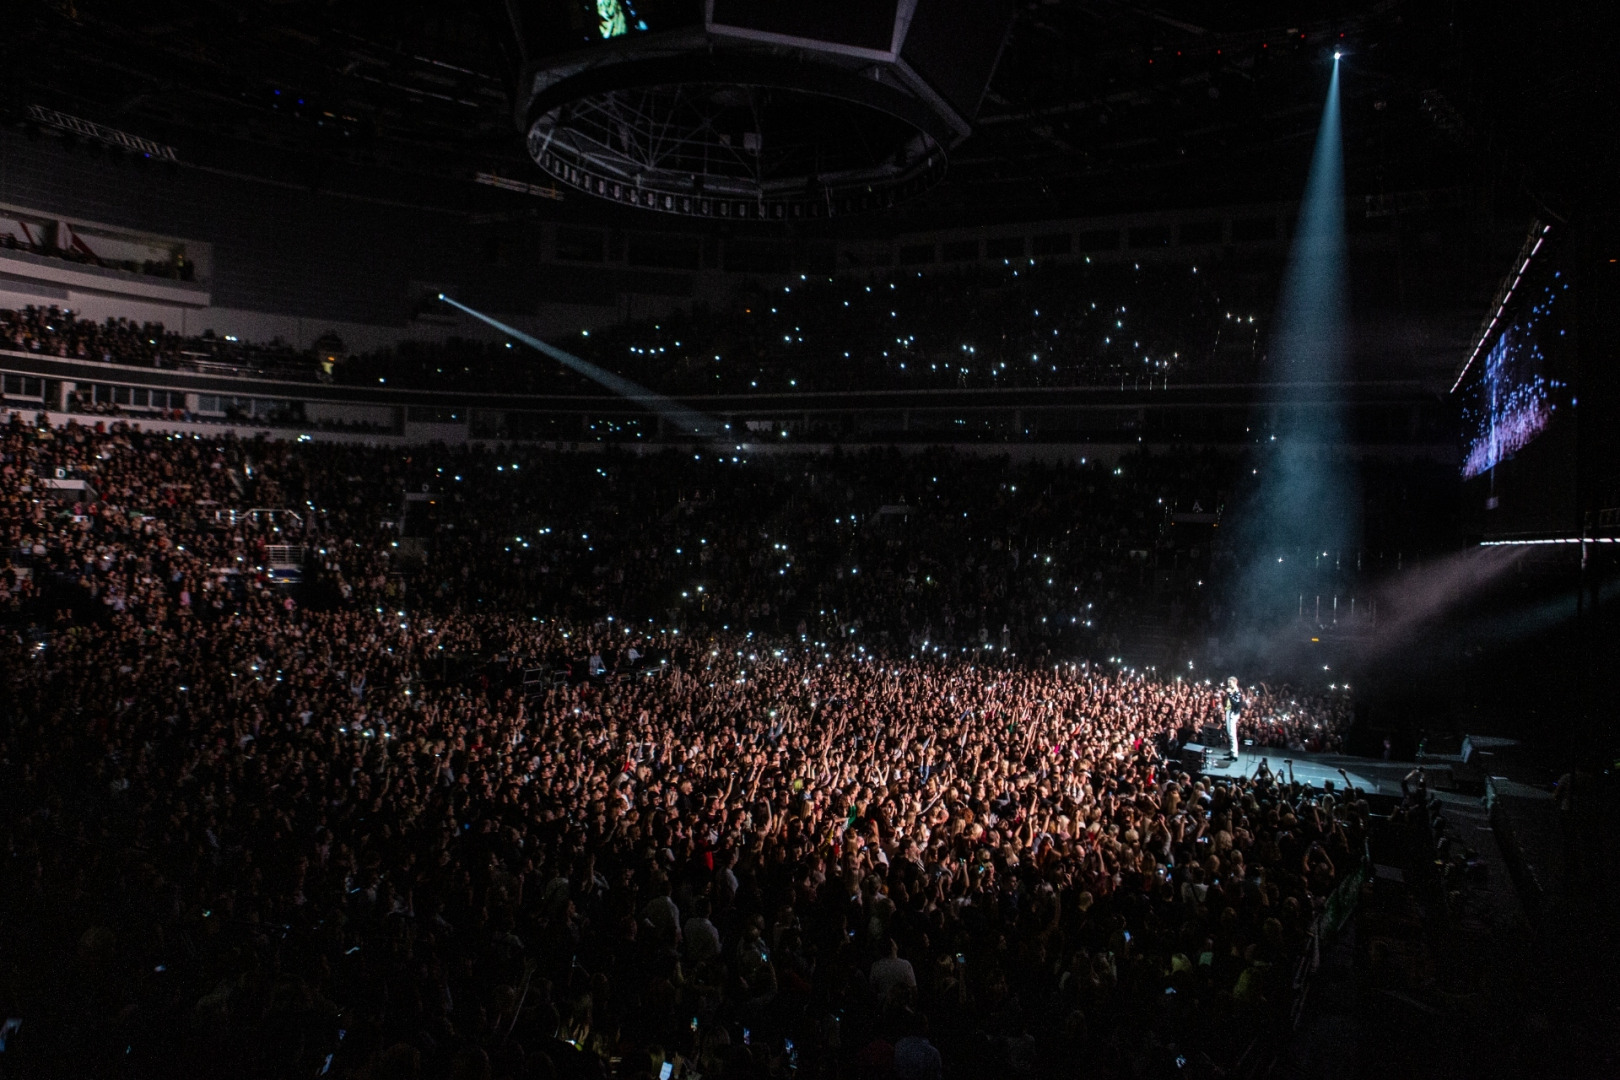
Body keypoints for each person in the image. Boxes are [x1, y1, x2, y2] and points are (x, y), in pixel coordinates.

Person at [1224, 676, 1244, 759]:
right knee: (1229, 732)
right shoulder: (1232, 691)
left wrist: (1229, 694)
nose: (1228, 684)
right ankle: (1232, 750)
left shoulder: (1237, 692)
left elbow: (1235, 703)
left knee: (1232, 733)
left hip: (1233, 713)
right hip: (1229, 711)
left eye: (1230, 682)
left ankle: (1234, 754)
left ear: (1235, 682)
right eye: (1228, 683)